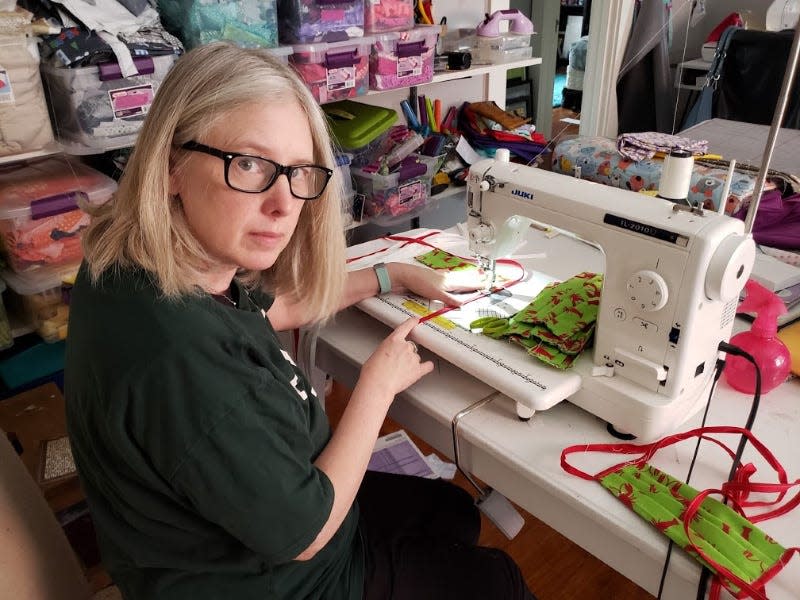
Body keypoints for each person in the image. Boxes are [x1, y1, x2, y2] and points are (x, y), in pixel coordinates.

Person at [65, 42, 537, 600]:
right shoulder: (179, 360)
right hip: (281, 579)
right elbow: (306, 533)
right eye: (249, 165)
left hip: (228, 527)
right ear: (170, 164)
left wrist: (391, 275)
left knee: (453, 510)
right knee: (498, 582)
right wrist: (376, 386)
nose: (285, 204)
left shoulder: (141, 267)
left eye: (297, 173)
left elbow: (271, 311)